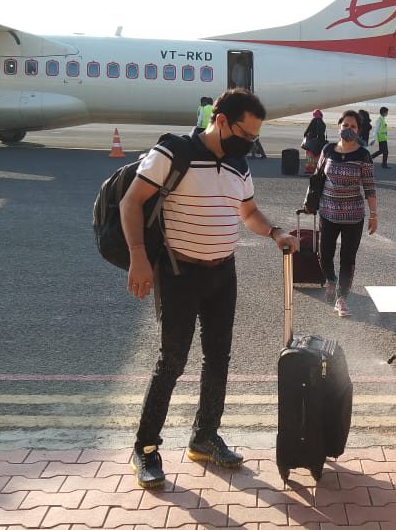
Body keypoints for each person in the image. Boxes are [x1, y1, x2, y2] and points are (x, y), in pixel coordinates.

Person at [120, 88, 299, 489]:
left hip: (223, 273)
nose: (250, 142)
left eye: (255, 136)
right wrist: (138, 257)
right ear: (221, 121)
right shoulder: (173, 152)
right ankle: (146, 447)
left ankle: (205, 436)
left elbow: (248, 211)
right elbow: (131, 202)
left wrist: (274, 232)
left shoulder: (239, 164)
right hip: (179, 272)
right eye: (246, 133)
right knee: (172, 361)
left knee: (218, 358)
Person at [311, 110, 377, 317]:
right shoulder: (328, 149)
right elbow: (317, 176)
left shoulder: (362, 154)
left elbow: (369, 186)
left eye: (353, 127)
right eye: (345, 125)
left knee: (347, 258)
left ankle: (342, 298)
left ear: (359, 130)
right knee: (325, 254)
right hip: (328, 212)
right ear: (339, 127)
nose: (349, 129)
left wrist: (374, 214)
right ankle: (331, 280)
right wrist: (310, 202)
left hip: (353, 216)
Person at [302, 109, 327, 174]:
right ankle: (318, 169)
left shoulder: (313, 121)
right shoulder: (322, 123)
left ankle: (309, 170)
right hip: (321, 142)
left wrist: (305, 136)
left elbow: (306, 131)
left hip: (311, 142)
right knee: (318, 156)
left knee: (310, 156)